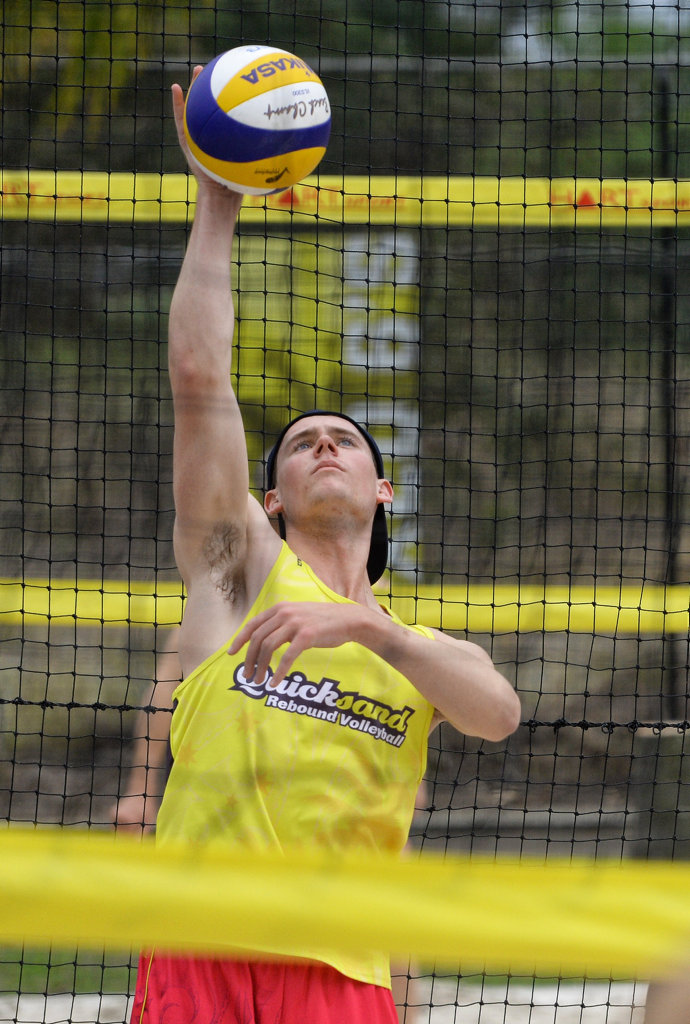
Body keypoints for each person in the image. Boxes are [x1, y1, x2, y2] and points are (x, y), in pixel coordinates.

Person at [129, 68, 522, 1024]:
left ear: (385, 489)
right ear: (273, 500)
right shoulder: (239, 573)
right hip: (203, 944)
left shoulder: (422, 650)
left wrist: (371, 631)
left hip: (344, 972)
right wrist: (216, 206)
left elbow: (500, 713)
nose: (324, 445)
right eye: (302, 442)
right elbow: (196, 374)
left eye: (345, 437)